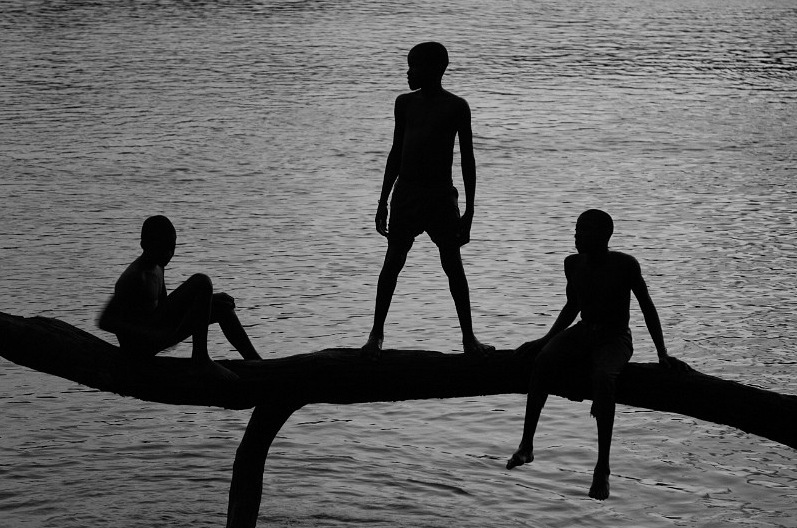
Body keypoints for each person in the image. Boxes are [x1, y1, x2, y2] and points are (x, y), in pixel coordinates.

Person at [506, 209, 691, 500]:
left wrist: (662, 353)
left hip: (615, 338)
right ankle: (526, 444)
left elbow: (647, 307)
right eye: (576, 229)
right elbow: (572, 306)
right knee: (542, 361)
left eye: (584, 231)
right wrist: (546, 339)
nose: (577, 235)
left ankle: (602, 467)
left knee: (604, 376)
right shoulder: (572, 264)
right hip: (584, 332)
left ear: (604, 236)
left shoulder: (625, 265)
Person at [362, 41, 494, 358]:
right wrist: (382, 200)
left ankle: (468, 339)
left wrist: (471, 210)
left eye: (414, 66)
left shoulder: (456, 107)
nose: (409, 72)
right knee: (392, 263)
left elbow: (467, 160)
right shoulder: (404, 104)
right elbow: (396, 152)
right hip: (406, 193)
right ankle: (375, 335)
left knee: (453, 266)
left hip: (439, 195)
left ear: (436, 69)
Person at [97, 215, 261, 381]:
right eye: (162, 248)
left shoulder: (158, 265)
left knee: (222, 308)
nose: (169, 253)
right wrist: (149, 332)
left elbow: (166, 308)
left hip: (159, 332)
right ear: (144, 245)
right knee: (202, 281)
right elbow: (105, 321)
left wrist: (210, 300)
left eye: (172, 247)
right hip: (140, 347)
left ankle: (256, 363)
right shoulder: (134, 277)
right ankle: (200, 359)